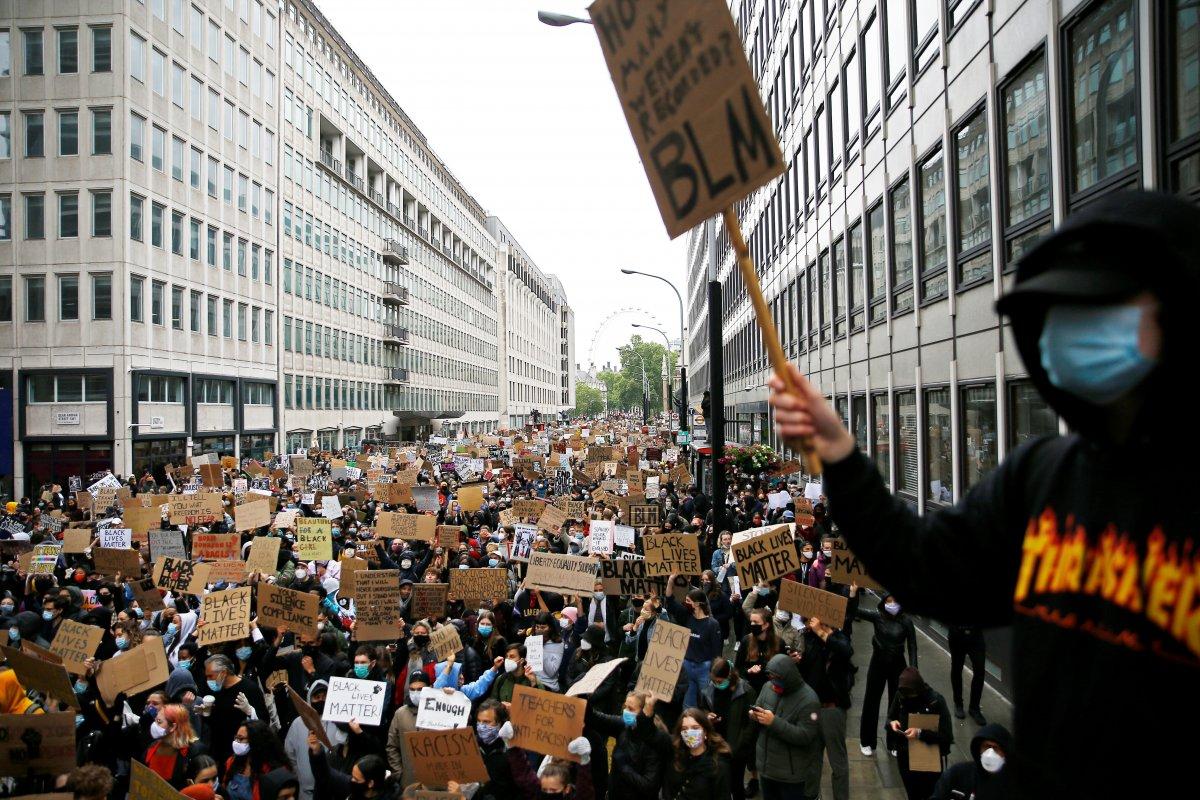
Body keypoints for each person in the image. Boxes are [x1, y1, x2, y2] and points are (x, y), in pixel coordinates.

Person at [768, 190, 1200, 797]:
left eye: (1101, 307)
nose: (1074, 329)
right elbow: (922, 565)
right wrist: (841, 455)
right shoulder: (1041, 478)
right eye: (1060, 312)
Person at [748, 654, 821, 800]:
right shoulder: (768, 687)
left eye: (778, 679)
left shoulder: (809, 700)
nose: (774, 683)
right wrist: (755, 716)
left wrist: (774, 722)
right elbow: (759, 706)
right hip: (767, 769)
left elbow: (805, 736)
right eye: (771, 678)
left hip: (791, 775)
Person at [853, 593, 916, 756]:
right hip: (878, 663)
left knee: (897, 704)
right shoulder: (877, 617)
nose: (892, 604)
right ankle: (866, 741)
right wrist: (853, 594)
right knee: (871, 701)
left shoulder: (907, 622)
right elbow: (854, 611)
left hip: (898, 665)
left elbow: (913, 647)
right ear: (884, 602)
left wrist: (913, 671)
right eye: (889, 601)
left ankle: (894, 742)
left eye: (895, 600)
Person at [585, 691, 668, 798]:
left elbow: (649, 786)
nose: (625, 711)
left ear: (645, 711)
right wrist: (584, 696)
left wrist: (624, 767)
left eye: (631, 709)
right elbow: (594, 719)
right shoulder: (624, 725)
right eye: (625, 706)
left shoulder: (655, 742)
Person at [886, 668, 953, 800]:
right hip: (905, 758)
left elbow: (946, 737)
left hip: (928, 761)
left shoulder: (936, 701)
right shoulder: (900, 696)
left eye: (911, 695)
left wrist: (920, 733)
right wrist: (892, 724)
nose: (908, 698)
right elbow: (890, 718)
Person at [698, 658, 755, 800]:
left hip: (736, 749)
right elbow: (702, 709)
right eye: (714, 681)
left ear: (729, 676)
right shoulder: (708, 689)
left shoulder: (746, 691)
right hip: (716, 745)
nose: (716, 684)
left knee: (736, 787)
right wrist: (707, 716)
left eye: (719, 681)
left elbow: (752, 722)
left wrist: (742, 742)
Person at [665, 585, 723, 709]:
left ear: (697, 604)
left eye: (688, 601)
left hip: (705, 668)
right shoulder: (686, 617)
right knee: (687, 704)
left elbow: (717, 651)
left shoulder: (712, 624)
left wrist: (715, 671)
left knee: (708, 702)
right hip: (687, 666)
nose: (685, 603)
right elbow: (670, 599)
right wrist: (670, 581)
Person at [661, 708, 732, 799]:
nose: (689, 732)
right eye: (684, 729)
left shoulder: (718, 764)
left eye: (695, 728)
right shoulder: (676, 756)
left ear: (705, 731)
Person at [931, 723, 1012, 800]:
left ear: (1005, 752)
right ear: (979, 749)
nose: (990, 753)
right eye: (986, 746)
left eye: (996, 748)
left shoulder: (1014, 784)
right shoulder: (957, 774)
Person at [222, 721, 291, 800]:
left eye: (241, 739)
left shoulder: (273, 770)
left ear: (256, 741)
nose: (236, 743)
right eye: (236, 738)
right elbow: (225, 788)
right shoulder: (232, 762)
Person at [143, 703, 206, 788]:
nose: (154, 725)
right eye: (155, 720)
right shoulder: (152, 746)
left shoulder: (194, 752)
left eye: (159, 721)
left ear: (173, 726)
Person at [947, 624, 987, 724]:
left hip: (975, 635)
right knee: (957, 668)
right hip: (957, 634)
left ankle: (974, 707)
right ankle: (958, 703)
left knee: (979, 670)